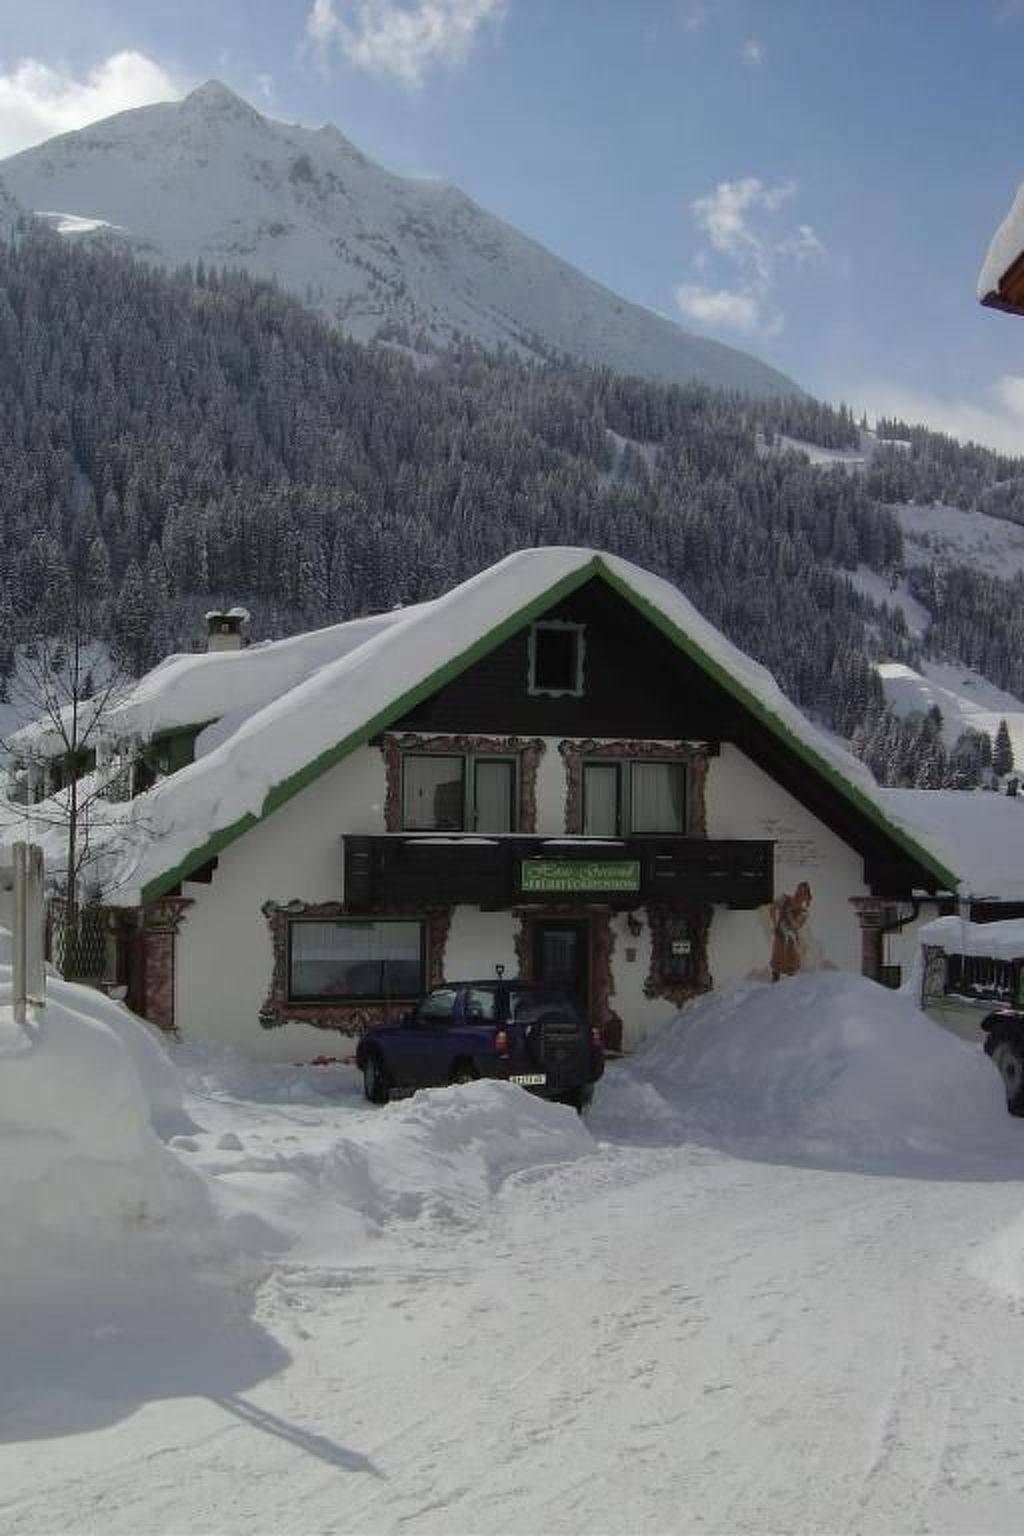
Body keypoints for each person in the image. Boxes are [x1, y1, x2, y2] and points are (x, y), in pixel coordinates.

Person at [769, 881, 812, 982]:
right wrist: (775, 924)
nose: (799, 894)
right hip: (780, 935)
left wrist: (789, 914)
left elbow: (796, 926)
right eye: (798, 891)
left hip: (791, 939)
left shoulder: (803, 912)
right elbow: (772, 909)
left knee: (792, 964)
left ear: (806, 897)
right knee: (777, 961)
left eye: (802, 893)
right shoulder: (785, 899)